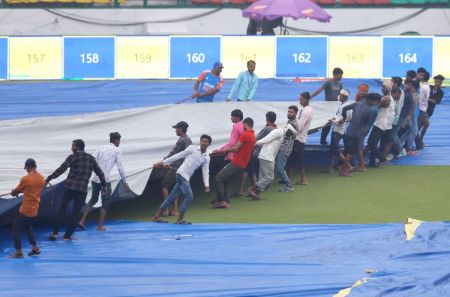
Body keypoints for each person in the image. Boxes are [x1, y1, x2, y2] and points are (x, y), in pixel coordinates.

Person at [46, 139, 107, 241]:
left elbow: (61, 169)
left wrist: (48, 178)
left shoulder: (72, 157)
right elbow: (100, 173)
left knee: (61, 210)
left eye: (72, 146)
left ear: (77, 146)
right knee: (75, 213)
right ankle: (67, 236)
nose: (71, 148)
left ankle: (55, 233)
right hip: (82, 190)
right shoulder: (91, 159)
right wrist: (104, 186)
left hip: (69, 188)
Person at [152, 135, 212, 225]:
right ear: (200, 141)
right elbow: (179, 155)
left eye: (206, 141)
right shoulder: (192, 148)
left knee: (171, 197)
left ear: (209, 144)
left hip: (185, 176)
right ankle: (179, 219)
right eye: (202, 141)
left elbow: (205, 171)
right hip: (181, 174)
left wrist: (206, 185)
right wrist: (163, 162)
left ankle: (156, 216)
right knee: (189, 196)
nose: (203, 143)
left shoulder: (206, 157)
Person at [78, 132, 129, 232]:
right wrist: (124, 181)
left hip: (95, 179)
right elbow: (120, 167)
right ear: (116, 140)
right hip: (105, 181)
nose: (119, 142)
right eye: (119, 140)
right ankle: (100, 226)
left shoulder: (100, 148)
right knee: (105, 202)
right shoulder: (117, 150)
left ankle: (82, 221)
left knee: (93, 199)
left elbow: (92, 160)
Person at [213, 117, 256, 208]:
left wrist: (225, 150)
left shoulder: (245, 135)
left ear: (245, 124)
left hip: (237, 162)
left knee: (218, 178)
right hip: (243, 163)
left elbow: (235, 148)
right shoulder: (253, 136)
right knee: (225, 179)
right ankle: (225, 200)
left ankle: (222, 201)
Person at [8, 159, 46, 258]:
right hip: (35, 210)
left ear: (28, 167)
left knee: (16, 227)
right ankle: (35, 248)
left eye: (26, 168)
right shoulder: (42, 178)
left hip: (26, 210)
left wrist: (13, 192)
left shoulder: (26, 179)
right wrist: (23, 190)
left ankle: (18, 252)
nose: (26, 170)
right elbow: (29, 189)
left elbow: (16, 191)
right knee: (28, 227)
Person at [248, 124, 297, 200]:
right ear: (288, 130)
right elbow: (268, 138)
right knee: (270, 177)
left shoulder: (281, 134)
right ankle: (252, 189)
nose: (290, 135)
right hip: (267, 156)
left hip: (266, 156)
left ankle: (256, 194)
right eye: (290, 133)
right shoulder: (279, 132)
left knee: (263, 177)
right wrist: (258, 143)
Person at [340, 93, 381, 176]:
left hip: (348, 131)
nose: (375, 103)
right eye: (375, 102)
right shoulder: (370, 110)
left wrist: (344, 117)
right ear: (371, 100)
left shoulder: (357, 104)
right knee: (350, 153)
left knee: (349, 151)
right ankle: (343, 170)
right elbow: (367, 125)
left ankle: (344, 168)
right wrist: (362, 134)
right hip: (357, 133)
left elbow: (344, 108)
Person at [158, 122, 192, 217]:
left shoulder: (181, 140)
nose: (175, 130)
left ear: (181, 129)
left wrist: (163, 162)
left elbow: (173, 153)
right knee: (176, 188)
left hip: (177, 168)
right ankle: (174, 210)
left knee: (164, 185)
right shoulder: (189, 140)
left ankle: (165, 210)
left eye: (176, 128)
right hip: (185, 168)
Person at [213, 109, 245, 196]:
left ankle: (223, 199)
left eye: (232, 116)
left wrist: (220, 150)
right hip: (241, 155)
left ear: (237, 117)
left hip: (233, 155)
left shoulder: (236, 127)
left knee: (221, 178)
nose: (231, 118)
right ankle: (234, 192)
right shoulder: (243, 126)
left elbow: (232, 143)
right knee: (230, 177)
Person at [311, 67, 343, 144]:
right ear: (335, 74)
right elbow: (319, 90)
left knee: (337, 124)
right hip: (328, 107)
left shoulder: (340, 84)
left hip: (336, 107)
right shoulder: (328, 82)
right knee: (328, 124)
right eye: (340, 75)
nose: (341, 77)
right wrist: (309, 97)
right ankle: (322, 140)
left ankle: (334, 141)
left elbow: (341, 95)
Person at [247, 111, 277, 189]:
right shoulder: (275, 129)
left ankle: (255, 186)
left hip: (258, 152)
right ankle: (263, 186)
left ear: (267, 119)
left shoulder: (267, 129)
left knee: (253, 170)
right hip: (269, 153)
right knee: (264, 172)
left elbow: (257, 139)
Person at [367, 87, 393, 167]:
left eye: (384, 87)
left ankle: (382, 159)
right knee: (373, 144)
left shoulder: (387, 98)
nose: (382, 88)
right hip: (379, 122)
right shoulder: (385, 98)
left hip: (380, 123)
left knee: (371, 143)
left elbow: (378, 105)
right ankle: (372, 163)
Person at [328, 89, 352, 173]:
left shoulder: (343, 107)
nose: (339, 96)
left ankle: (348, 165)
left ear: (345, 97)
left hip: (338, 130)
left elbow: (342, 120)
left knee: (335, 149)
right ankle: (330, 168)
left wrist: (333, 121)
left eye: (341, 95)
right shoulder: (346, 105)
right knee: (333, 149)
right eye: (340, 94)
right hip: (341, 129)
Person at [276, 106, 299, 192]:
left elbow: (286, 133)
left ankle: (289, 186)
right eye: (288, 111)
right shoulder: (290, 121)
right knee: (277, 166)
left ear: (295, 113)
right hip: (284, 147)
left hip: (285, 148)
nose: (289, 113)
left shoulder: (293, 124)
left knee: (279, 167)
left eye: (291, 112)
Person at [294, 92, 314, 186]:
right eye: (300, 99)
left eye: (301, 99)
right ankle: (302, 179)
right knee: (298, 159)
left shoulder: (306, 111)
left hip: (299, 138)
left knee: (300, 159)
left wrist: (290, 131)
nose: (300, 101)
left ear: (306, 100)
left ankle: (304, 179)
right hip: (301, 137)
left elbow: (300, 127)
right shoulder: (307, 109)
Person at [421, 75, 445, 143]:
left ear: (442, 83)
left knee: (424, 125)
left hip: (429, 111)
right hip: (422, 109)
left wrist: (426, 98)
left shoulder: (441, 92)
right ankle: (418, 140)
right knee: (423, 125)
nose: (438, 83)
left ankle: (420, 139)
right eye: (437, 81)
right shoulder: (428, 87)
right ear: (434, 81)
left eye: (440, 82)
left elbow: (436, 102)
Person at [416, 70, 431, 150]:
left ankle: (419, 143)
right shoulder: (424, 87)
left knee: (417, 127)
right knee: (417, 127)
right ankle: (419, 143)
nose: (420, 77)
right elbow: (420, 100)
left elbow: (421, 99)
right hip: (421, 109)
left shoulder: (424, 87)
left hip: (422, 108)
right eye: (419, 75)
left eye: (422, 75)